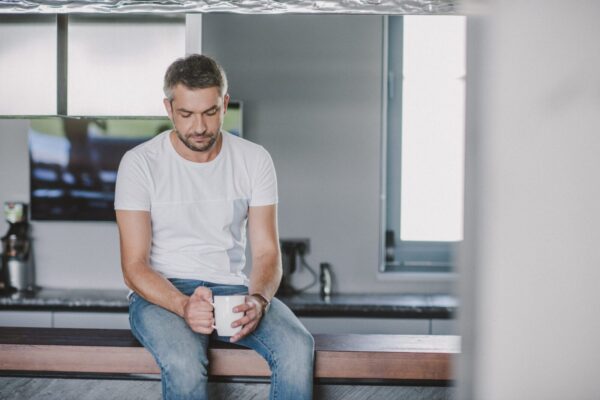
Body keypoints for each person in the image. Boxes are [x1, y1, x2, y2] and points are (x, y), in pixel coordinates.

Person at [114, 54, 314, 400]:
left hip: (231, 290)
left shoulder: (254, 159)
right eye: (186, 114)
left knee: (298, 346)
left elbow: (267, 252)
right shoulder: (139, 164)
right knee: (184, 362)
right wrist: (182, 305)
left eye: (209, 112)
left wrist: (259, 299)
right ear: (168, 108)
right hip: (161, 295)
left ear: (224, 103)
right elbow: (134, 268)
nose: (200, 127)